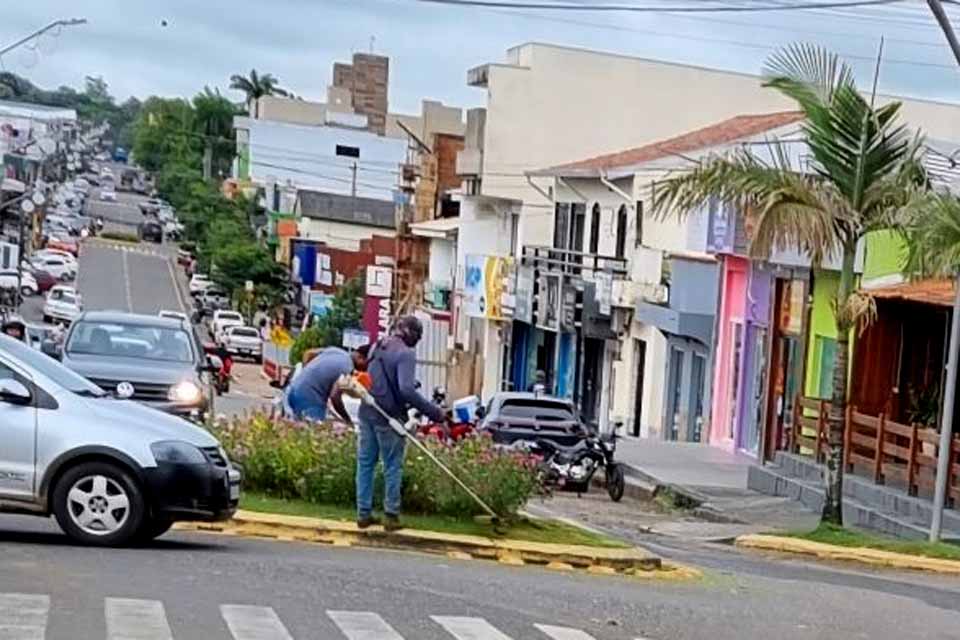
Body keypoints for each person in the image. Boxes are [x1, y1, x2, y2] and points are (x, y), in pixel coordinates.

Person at [356, 316, 446, 531]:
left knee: (365, 464)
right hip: (389, 417)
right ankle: (391, 516)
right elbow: (406, 389)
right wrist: (435, 413)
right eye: (418, 336)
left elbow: (371, 377)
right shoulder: (406, 354)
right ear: (411, 334)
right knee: (392, 466)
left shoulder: (378, 345)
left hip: (367, 411)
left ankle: (363, 514)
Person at [284, 345, 369, 422]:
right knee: (312, 435)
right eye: (367, 365)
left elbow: (309, 353)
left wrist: (307, 374)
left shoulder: (335, 350)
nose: (365, 369)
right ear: (360, 358)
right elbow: (335, 396)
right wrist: (347, 419)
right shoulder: (347, 368)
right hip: (310, 400)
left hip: (293, 389)